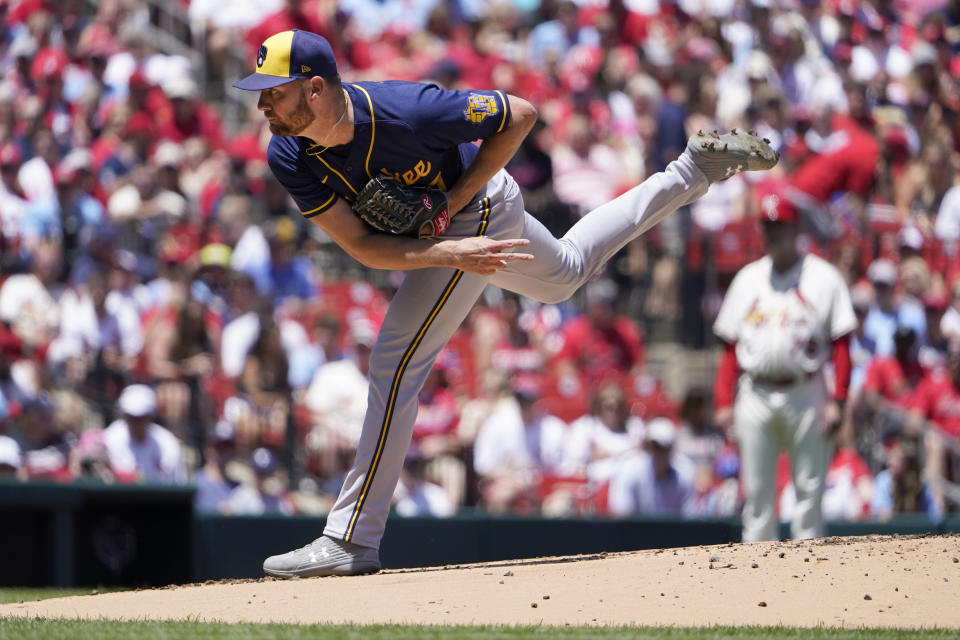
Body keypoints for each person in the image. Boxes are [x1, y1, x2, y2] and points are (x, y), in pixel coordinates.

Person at [234, 29, 778, 577]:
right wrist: (446, 250)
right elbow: (361, 247)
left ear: (315, 88)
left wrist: (454, 204)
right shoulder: (287, 152)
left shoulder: (406, 111)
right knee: (565, 273)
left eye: (274, 91)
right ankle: (690, 171)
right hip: (447, 233)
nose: (262, 104)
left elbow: (520, 114)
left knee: (395, 361)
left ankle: (350, 539)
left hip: (482, 204)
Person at [712, 184, 857, 542]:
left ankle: (809, 578)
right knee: (757, 495)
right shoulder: (747, 280)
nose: (773, 233)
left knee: (809, 493)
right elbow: (730, 349)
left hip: (805, 390)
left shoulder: (824, 278)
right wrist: (722, 403)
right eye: (768, 226)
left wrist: (837, 400)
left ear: (796, 230)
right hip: (755, 392)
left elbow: (841, 346)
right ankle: (756, 580)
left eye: (780, 226)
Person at [102, 384, 187, 484]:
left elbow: (178, 482)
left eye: (141, 417)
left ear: (150, 416)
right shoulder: (109, 438)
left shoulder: (167, 443)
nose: (136, 422)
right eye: (131, 416)